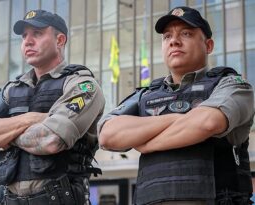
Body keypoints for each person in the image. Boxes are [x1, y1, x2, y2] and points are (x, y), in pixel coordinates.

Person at [98, 6, 254, 205]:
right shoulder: (145, 95)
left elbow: (207, 122)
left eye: (186, 33)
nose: (174, 41)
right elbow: (107, 135)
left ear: (209, 46)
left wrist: (146, 144)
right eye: (167, 36)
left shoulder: (231, 84)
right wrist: (175, 118)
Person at [0, 9, 105, 205]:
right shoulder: (12, 89)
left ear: (60, 40)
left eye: (37, 34)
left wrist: (2, 135)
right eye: (24, 36)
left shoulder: (82, 86)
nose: (28, 41)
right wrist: (30, 119)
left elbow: (51, 139)